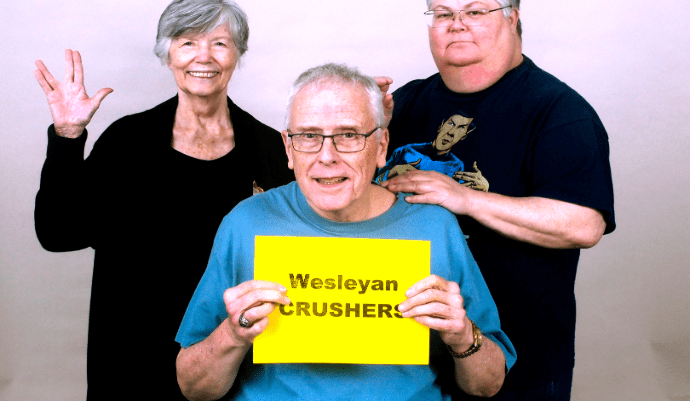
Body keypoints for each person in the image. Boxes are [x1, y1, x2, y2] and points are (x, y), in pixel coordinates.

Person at [175, 63, 517, 400]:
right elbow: (194, 389)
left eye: (349, 135)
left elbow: (487, 385)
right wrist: (233, 335)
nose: (327, 156)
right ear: (288, 149)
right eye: (308, 136)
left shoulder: (434, 227)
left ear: (382, 146)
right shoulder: (246, 222)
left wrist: (461, 335)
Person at [33, 0, 294, 400]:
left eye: (219, 43)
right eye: (187, 42)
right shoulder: (126, 142)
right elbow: (58, 233)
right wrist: (68, 136)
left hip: (232, 367)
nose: (203, 57)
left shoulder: (270, 150)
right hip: (130, 366)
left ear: (237, 54)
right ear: (167, 54)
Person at [378, 0, 616, 400]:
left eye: (475, 11)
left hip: (517, 363)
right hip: (406, 358)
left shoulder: (558, 112)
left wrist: (465, 198)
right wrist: (362, 127)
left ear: (513, 17)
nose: (456, 23)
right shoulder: (405, 104)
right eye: (443, 13)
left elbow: (584, 224)